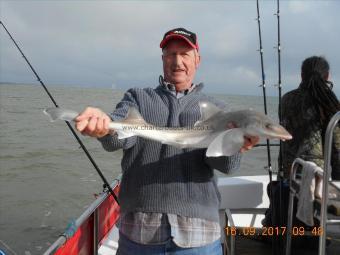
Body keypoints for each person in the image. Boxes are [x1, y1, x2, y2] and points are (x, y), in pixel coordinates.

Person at [75, 27, 259, 255]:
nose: (177, 61)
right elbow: (117, 139)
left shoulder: (218, 110)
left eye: (185, 54)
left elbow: (227, 166)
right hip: (140, 233)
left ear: (197, 60)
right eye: (171, 54)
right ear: (162, 59)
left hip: (198, 236)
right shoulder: (138, 98)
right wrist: (103, 127)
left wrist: (236, 145)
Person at [280, 55, 340, 180]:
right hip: (316, 178)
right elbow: (337, 149)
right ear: (327, 76)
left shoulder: (286, 99)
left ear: (302, 75)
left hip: (288, 173)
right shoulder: (328, 102)